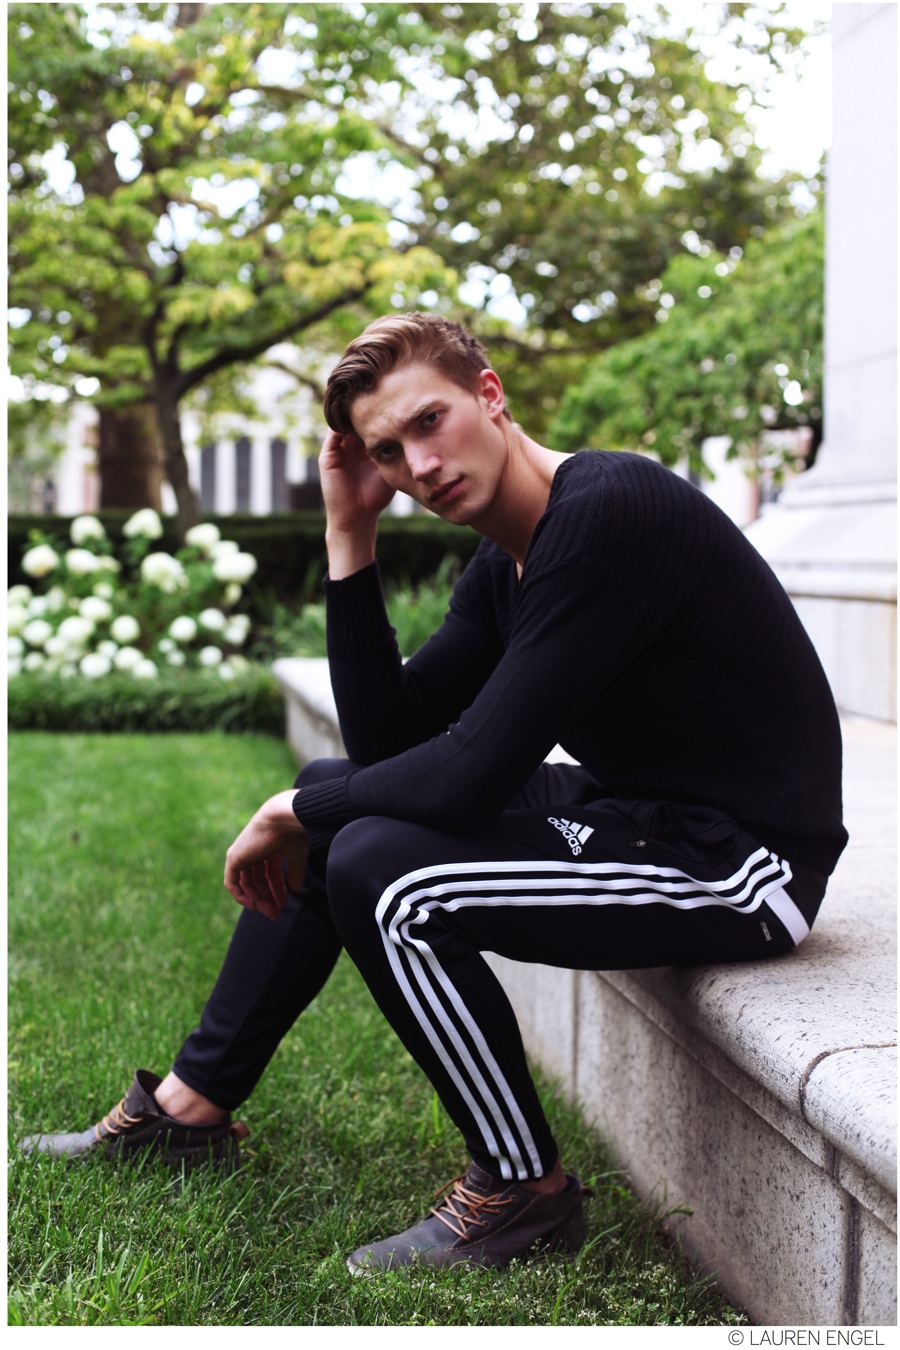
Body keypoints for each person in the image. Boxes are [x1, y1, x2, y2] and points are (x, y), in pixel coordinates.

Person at [24, 313, 848, 1274]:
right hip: (635, 809)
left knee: (383, 869)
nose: (419, 464)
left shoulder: (610, 511)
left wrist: (291, 814)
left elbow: (470, 772)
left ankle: (523, 1190)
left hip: (740, 861)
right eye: (387, 450)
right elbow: (390, 748)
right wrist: (350, 531)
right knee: (337, 794)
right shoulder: (504, 564)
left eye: (430, 422)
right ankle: (189, 1108)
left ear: (489, 396)